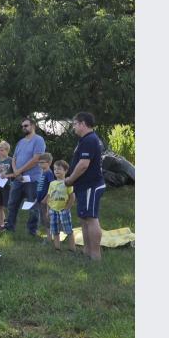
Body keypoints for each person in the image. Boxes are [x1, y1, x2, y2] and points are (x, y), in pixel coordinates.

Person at [64, 111, 105, 260]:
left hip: (91, 185)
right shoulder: (86, 139)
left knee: (90, 218)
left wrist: (70, 179)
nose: (73, 127)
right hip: (84, 186)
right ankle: (87, 251)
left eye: (75, 124)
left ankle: (95, 255)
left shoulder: (89, 140)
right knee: (84, 218)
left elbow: (83, 165)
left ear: (82, 124)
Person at [4, 117, 46, 235]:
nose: (24, 128)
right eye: (22, 126)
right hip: (18, 179)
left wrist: (19, 171)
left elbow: (36, 159)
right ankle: (10, 227)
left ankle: (32, 231)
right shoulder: (21, 142)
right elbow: (14, 158)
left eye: (26, 125)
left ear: (33, 126)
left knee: (33, 205)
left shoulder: (39, 140)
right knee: (12, 203)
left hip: (32, 179)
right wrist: (16, 171)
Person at [43, 160, 76, 252]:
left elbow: (72, 197)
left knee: (68, 230)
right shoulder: (52, 184)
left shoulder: (68, 183)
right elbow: (49, 197)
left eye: (59, 169)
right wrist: (48, 210)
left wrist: (67, 208)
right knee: (55, 230)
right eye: (55, 169)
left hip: (63, 210)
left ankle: (72, 249)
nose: (56, 171)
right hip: (53, 210)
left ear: (65, 171)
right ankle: (57, 248)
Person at [35, 153, 55, 243]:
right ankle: (48, 236)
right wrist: (37, 198)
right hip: (40, 200)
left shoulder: (49, 173)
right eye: (39, 163)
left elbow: (52, 187)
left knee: (47, 219)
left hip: (46, 201)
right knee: (43, 219)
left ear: (49, 162)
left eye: (42, 162)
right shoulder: (43, 173)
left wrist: (45, 199)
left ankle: (49, 238)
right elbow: (40, 187)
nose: (40, 164)